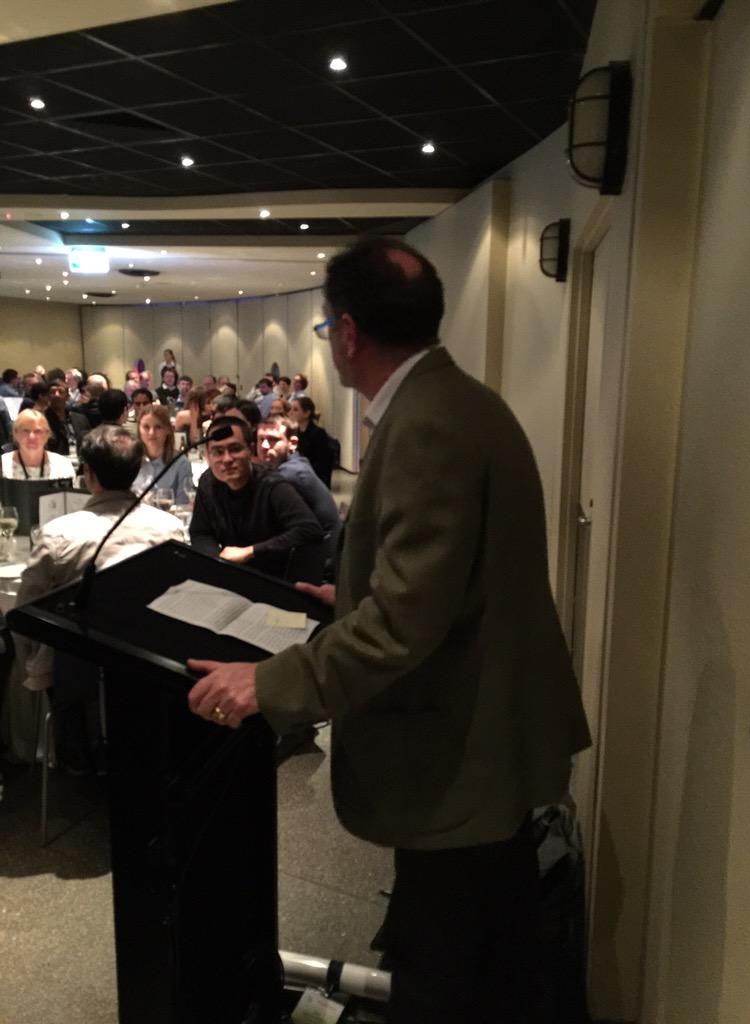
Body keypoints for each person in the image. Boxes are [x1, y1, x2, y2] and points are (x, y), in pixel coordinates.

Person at [186, 238, 591, 1024]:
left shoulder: (426, 423)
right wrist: (352, 589)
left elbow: (405, 621)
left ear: (344, 333)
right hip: (490, 742)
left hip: (460, 756)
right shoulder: (461, 402)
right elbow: (453, 579)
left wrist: (267, 681)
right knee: (500, 959)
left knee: (441, 971)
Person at [14, 424, 184, 772]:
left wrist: (32, 667)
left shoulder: (57, 534)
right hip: (154, 666)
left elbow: (24, 616)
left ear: (87, 474)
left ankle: (64, 751)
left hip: (77, 672)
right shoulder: (171, 529)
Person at [189, 416, 323, 578]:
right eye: (218, 452)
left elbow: (310, 530)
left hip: (271, 577)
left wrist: (250, 551)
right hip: (229, 574)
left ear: (250, 450)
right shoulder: (208, 481)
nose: (227, 459)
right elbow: (200, 533)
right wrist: (217, 560)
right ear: (207, 456)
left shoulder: (272, 485)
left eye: (235, 449)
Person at [256, 417, 341, 574]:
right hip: (321, 549)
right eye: (261, 439)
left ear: (292, 443)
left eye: (273, 440)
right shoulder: (296, 461)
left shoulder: (291, 474)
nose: (264, 446)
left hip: (321, 562)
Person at [132, 404, 192, 505]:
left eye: (158, 427)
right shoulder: (130, 460)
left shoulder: (181, 463)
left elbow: (183, 506)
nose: (151, 433)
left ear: (168, 430)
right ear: (139, 429)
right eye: (146, 427)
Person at [1, 409, 75, 481]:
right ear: (15, 434)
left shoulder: (62, 465)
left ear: (47, 435)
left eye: (38, 431)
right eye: (25, 431)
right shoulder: (2, 465)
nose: (32, 437)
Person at [289, 396, 334, 487]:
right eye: (291, 409)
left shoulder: (318, 433)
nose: (290, 413)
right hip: (299, 475)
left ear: (307, 413)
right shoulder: (294, 432)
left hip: (313, 478)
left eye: (295, 410)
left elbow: (323, 462)